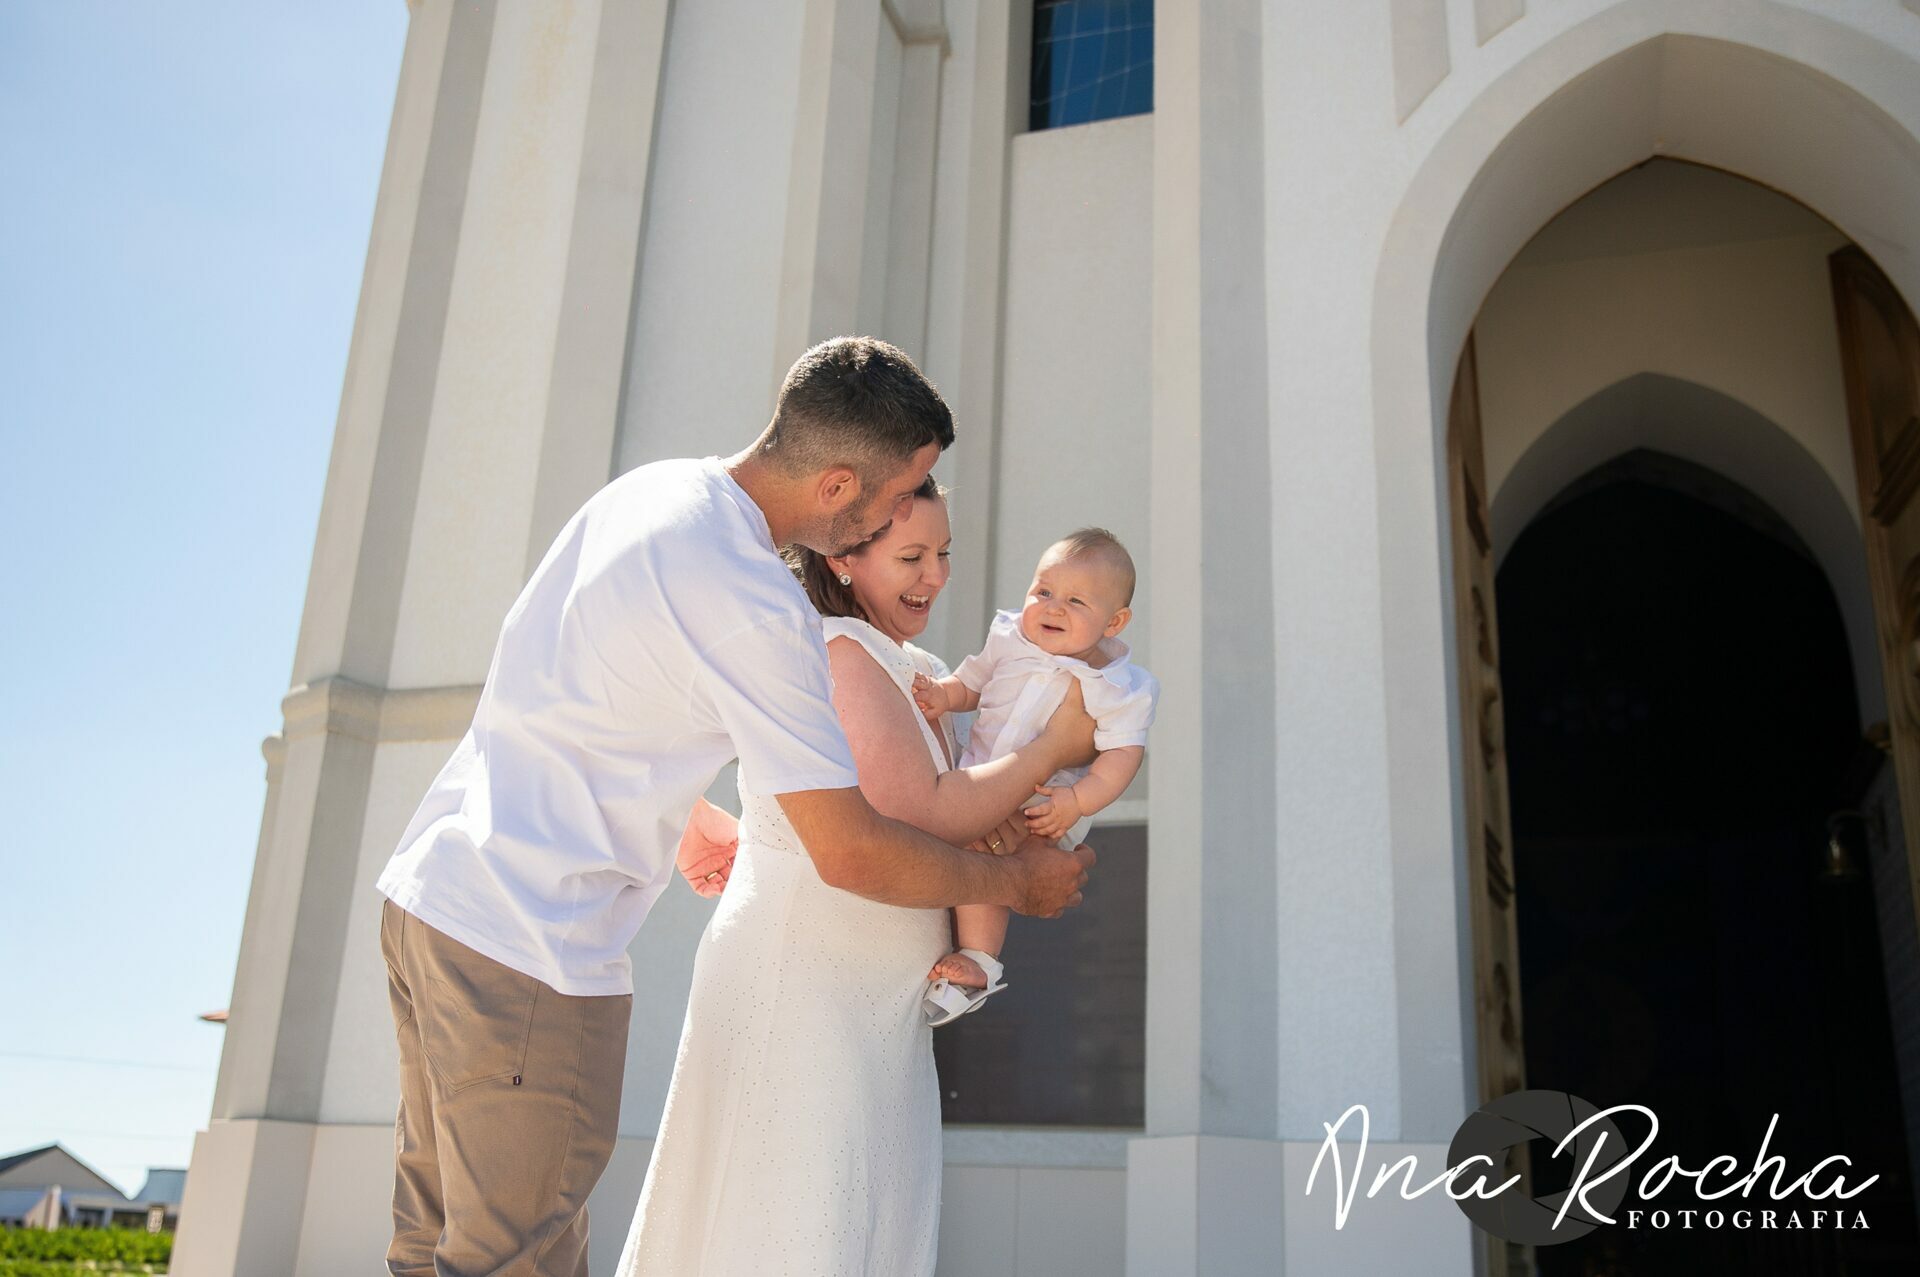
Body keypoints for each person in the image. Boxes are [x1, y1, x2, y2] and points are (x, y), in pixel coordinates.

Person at [373, 337, 1097, 1277]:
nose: (899, 518)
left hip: (433, 897)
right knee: (512, 1262)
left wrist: (684, 816)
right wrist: (1017, 885)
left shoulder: (650, 493)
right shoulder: (758, 602)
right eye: (893, 498)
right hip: (528, 945)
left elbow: (563, 681)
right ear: (838, 487)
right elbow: (850, 850)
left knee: (428, 1250)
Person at [618, 479, 1091, 1275]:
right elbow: (927, 812)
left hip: (878, 1012)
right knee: (792, 1229)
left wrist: (1028, 821)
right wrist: (1053, 748)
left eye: (944, 553)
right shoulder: (838, 650)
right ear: (843, 558)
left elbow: (947, 813)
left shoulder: (920, 669)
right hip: (805, 998)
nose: (936, 575)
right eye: (912, 556)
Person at [911, 528, 1157, 1023]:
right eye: (1043, 591)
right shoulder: (1009, 638)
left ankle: (980, 961)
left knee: (995, 864)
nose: (1053, 608)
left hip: (1047, 804)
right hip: (981, 778)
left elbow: (1123, 755)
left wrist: (1079, 802)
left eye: (1076, 601)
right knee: (970, 849)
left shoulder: (1119, 686)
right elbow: (973, 682)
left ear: (1114, 622)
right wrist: (945, 695)